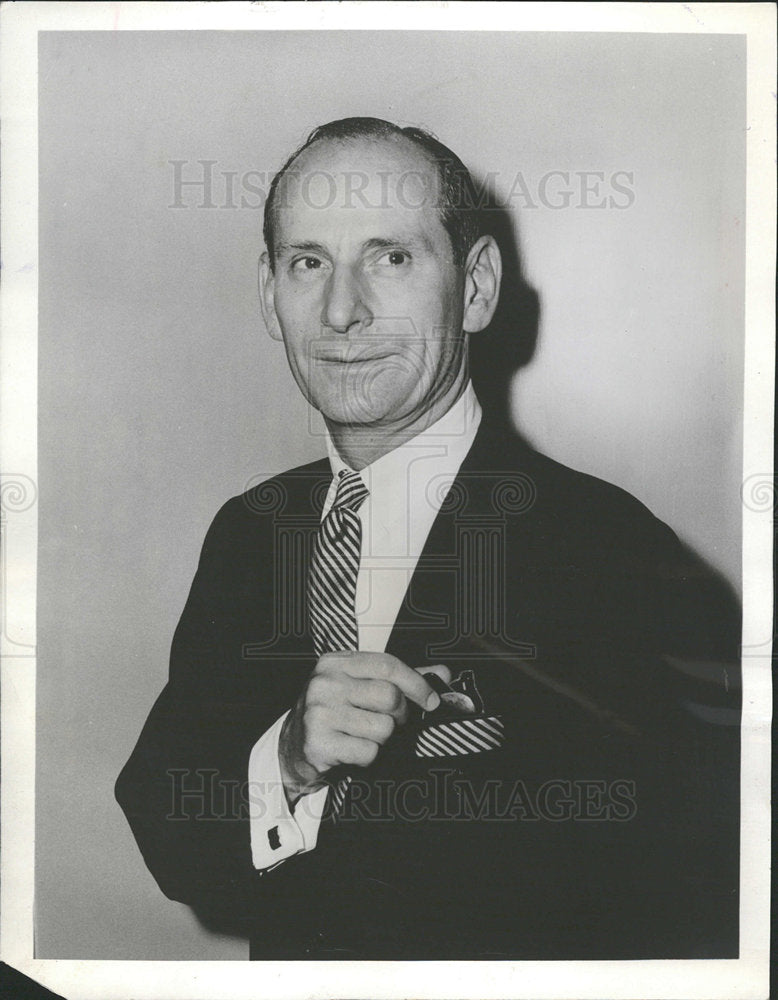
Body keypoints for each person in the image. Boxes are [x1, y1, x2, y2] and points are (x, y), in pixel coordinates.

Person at [116, 117, 741, 960]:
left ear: (476, 288)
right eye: (309, 264)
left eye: (392, 258)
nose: (342, 311)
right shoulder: (249, 532)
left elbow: (689, 892)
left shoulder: (613, 553)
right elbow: (167, 820)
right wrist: (286, 763)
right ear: (269, 296)